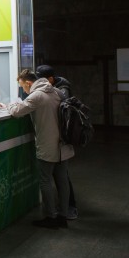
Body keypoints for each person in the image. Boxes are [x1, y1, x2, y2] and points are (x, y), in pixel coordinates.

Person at [3, 69, 73, 229]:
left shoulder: (37, 96)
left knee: (45, 180)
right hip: (63, 144)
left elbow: (17, 112)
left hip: (48, 145)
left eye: (23, 86)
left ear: (28, 83)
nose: (23, 90)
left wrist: (10, 104)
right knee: (62, 180)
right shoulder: (56, 91)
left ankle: (51, 217)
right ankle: (63, 216)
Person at [35, 65, 78, 221]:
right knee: (61, 177)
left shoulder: (60, 91)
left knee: (57, 178)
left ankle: (66, 209)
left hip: (57, 141)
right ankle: (64, 212)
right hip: (60, 142)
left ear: (51, 79)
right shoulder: (59, 88)